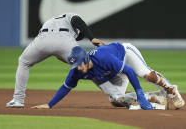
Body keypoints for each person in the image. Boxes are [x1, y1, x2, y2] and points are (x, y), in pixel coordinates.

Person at [32, 43, 173, 110]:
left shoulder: (104, 58)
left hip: (123, 57)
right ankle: (156, 97)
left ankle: (164, 91)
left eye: (80, 64)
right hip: (108, 73)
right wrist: (49, 104)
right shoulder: (76, 70)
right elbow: (66, 87)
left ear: (86, 60)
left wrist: (139, 93)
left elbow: (129, 71)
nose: (78, 69)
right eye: (76, 66)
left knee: (144, 74)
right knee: (117, 101)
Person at [6, 13, 106, 108]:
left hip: (43, 39)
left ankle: (18, 100)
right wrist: (91, 38)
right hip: (64, 38)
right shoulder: (70, 16)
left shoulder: (52, 20)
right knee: (87, 64)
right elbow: (76, 20)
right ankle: (115, 95)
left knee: (24, 62)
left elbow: (56, 51)